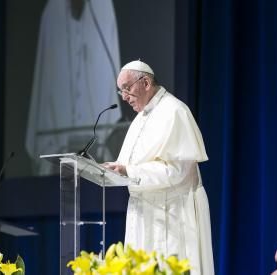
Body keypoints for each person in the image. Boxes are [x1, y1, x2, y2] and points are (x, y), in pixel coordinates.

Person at [104, 60, 215, 275]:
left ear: (145, 83)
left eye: (127, 88)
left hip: (173, 215)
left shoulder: (174, 111)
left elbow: (177, 172)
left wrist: (129, 171)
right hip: (145, 213)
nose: (124, 96)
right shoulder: (140, 118)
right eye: (121, 91)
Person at [26, 0, 121, 175]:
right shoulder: (52, 11)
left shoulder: (103, 7)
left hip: (95, 150)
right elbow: (45, 82)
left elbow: (108, 74)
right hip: (58, 151)